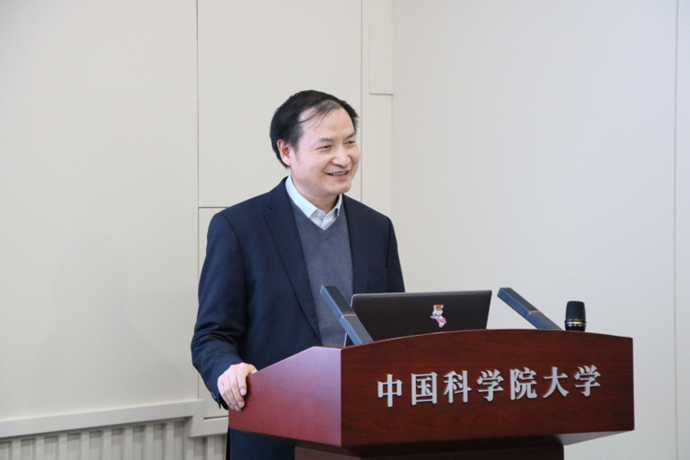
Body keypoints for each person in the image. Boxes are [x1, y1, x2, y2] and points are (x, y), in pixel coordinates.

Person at [191, 90, 405, 460]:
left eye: (350, 142)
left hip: (364, 429)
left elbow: (396, 329)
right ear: (286, 151)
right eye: (326, 146)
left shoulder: (376, 228)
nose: (344, 158)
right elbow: (211, 336)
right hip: (275, 430)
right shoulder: (239, 227)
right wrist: (228, 369)